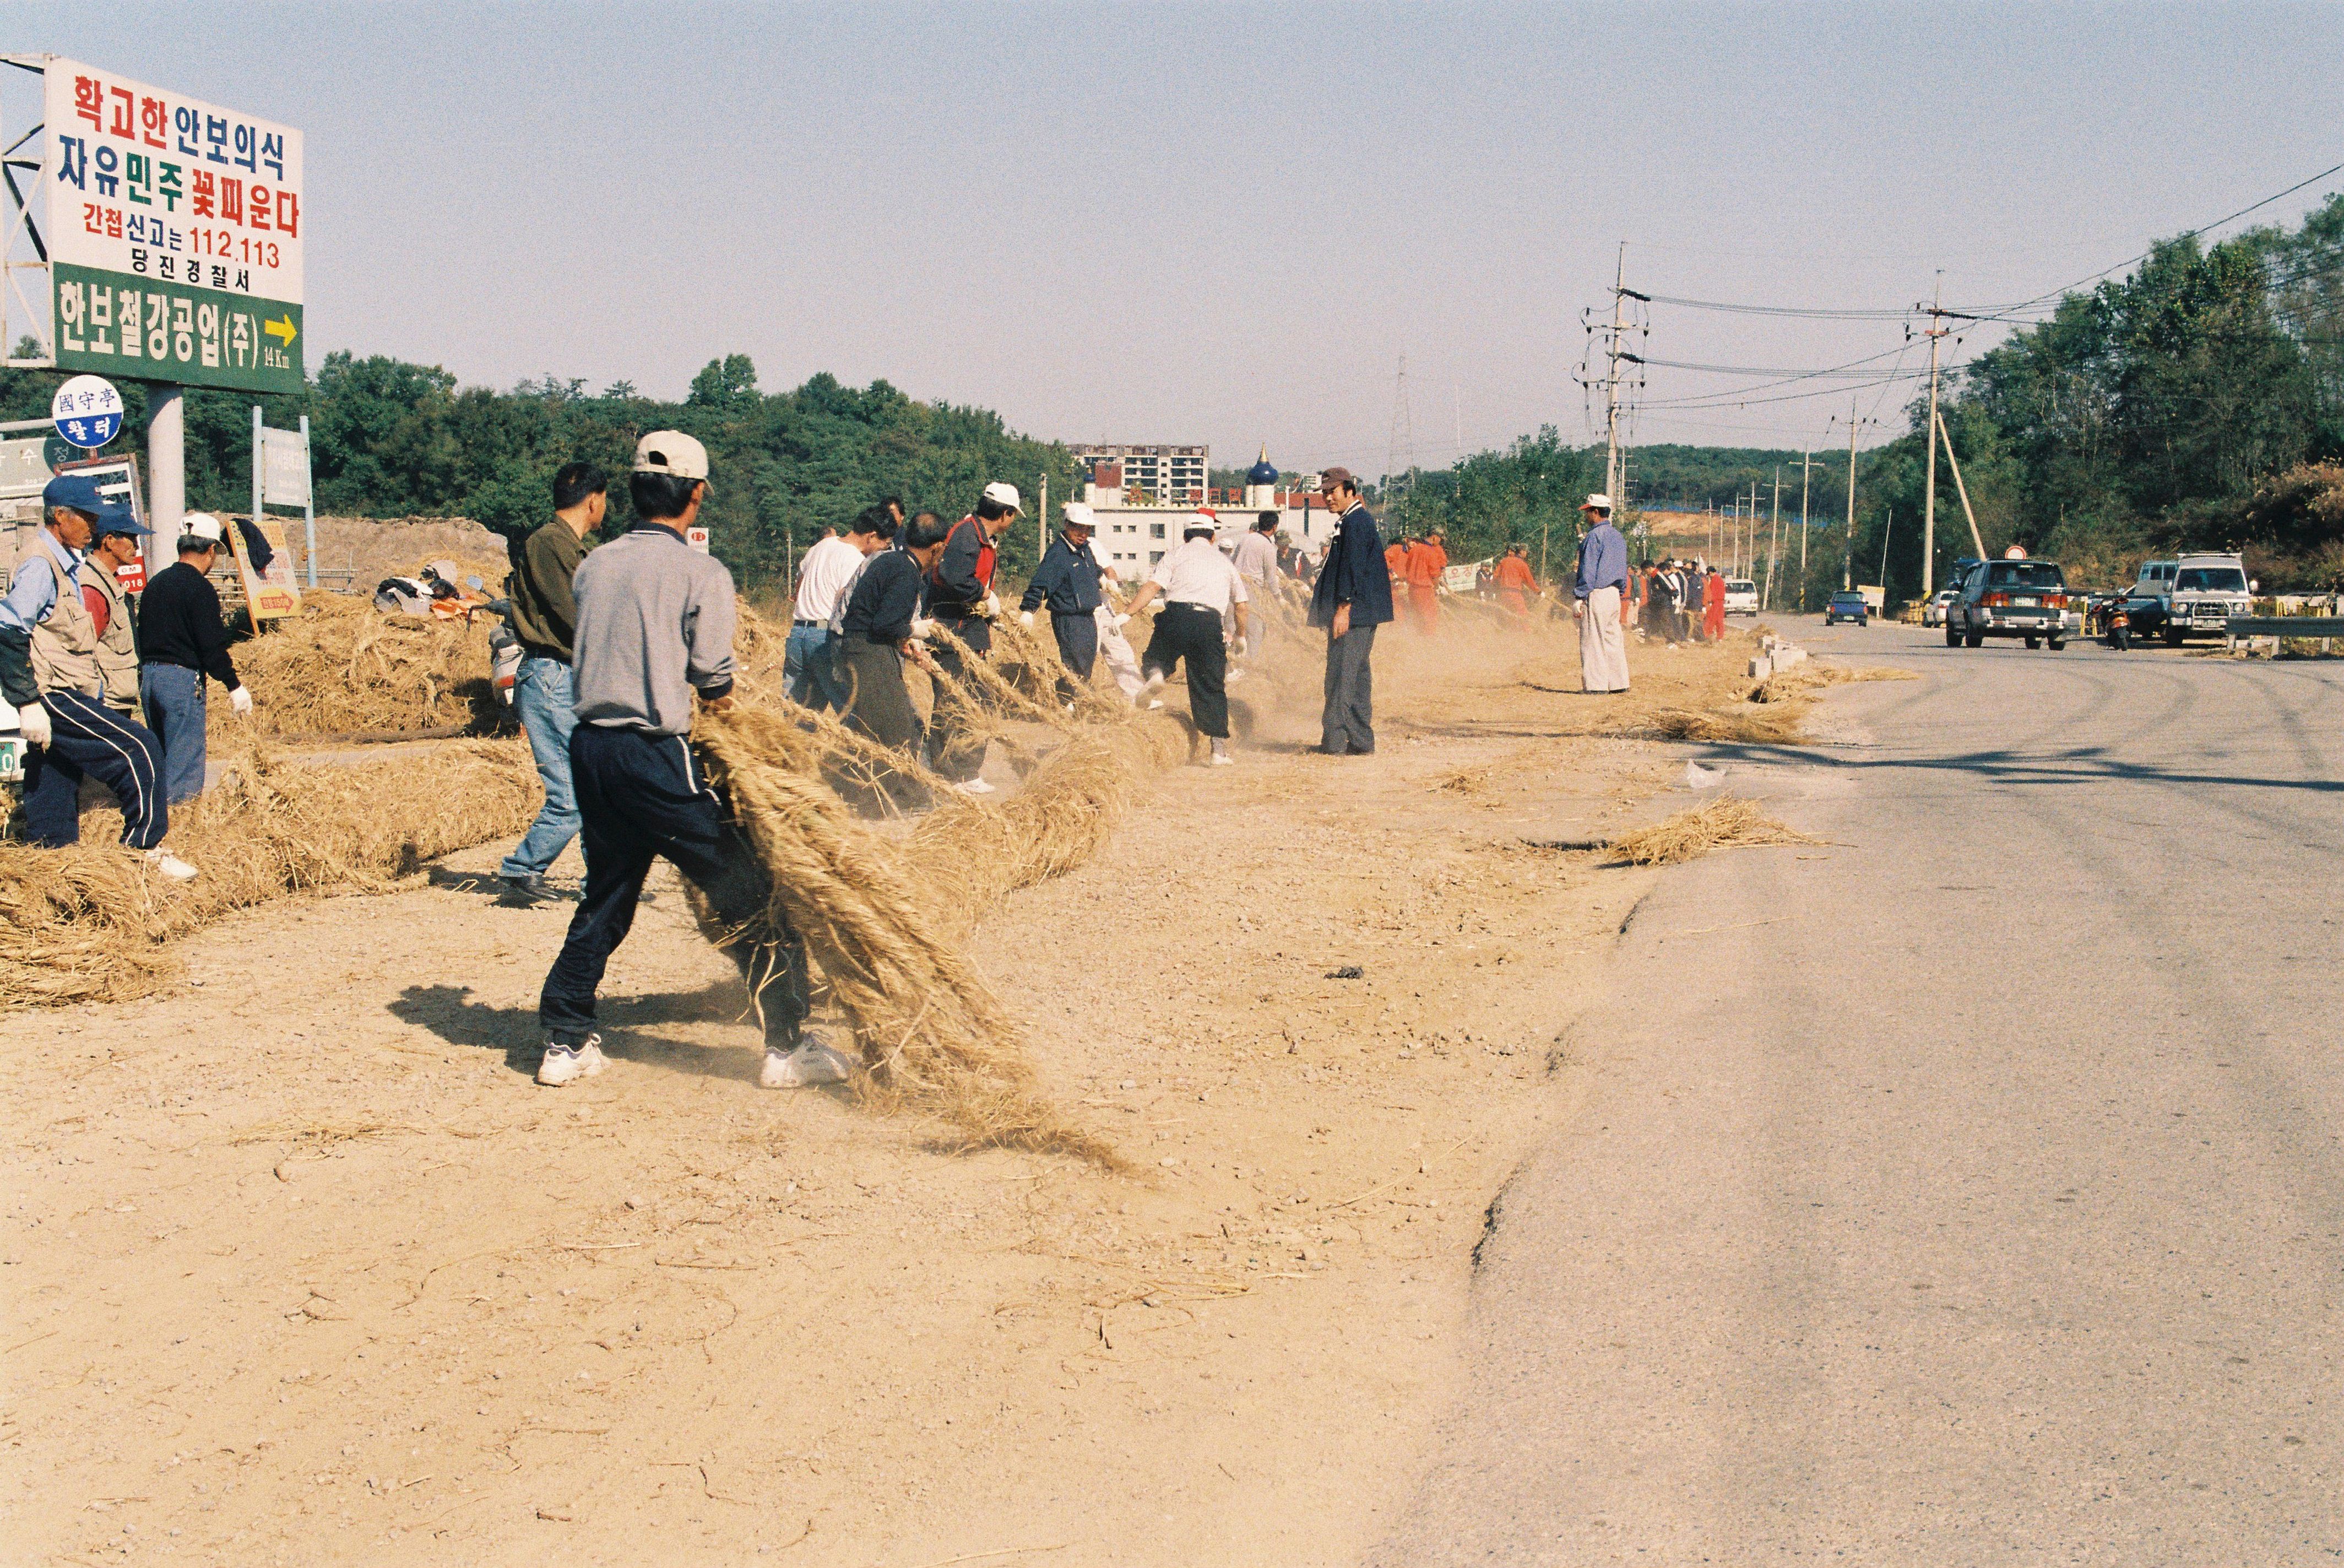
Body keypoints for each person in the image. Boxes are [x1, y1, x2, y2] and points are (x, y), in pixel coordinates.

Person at [536, 430, 852, 1092]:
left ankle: (565, 1041)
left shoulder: (595, 564)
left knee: (608, 893)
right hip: (653, 752)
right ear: (697, 493)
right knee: (753, 894)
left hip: (590, 748)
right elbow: (712, 679)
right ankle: (786, 1046)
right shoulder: (700, 572)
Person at [2, 475, 192, 876]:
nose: (94, 526)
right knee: (139, 749)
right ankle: (142, 851)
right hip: (52, 693)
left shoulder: (66, 562)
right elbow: (8, 629)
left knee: (54, 780)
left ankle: (51, 866)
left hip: (68, 689)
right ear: (59, 516)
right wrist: (27, 701)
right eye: (88, 517)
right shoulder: (40, 563)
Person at [496, 461, 605, 900]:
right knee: (573, 794)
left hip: (564, 675)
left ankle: (598, 881)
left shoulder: (563, 545)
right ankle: (521, 870)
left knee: (591, 788)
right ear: (594, 500)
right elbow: (577, 615)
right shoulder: (550, 543)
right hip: (552, 675)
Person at [134, 512, 251, 811]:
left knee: (160, 758)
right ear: (211, 550)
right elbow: (211, 647)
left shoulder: (156, 584)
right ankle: (181, 825)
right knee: (185, 762)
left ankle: (154, 817)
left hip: (150, 677)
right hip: (180, 679)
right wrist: (233, 685)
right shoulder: (200, 589)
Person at [840, 512, 951, 802]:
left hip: (860, 646)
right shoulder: (906, 572)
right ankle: (912, 803)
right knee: (900, 731)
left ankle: (861, 797)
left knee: (874, 730)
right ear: (937, 547)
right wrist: (916, 630)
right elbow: (885, 625)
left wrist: (904, 639)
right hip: (869, 651)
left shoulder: (890, 561)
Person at [1122, 515, 1251, 765]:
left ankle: (1157, 674)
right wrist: (1241, 636)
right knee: (1211, 685)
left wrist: (1127, 613)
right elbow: (1242, 606)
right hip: (1208, 622)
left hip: (1176, 615)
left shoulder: (1175, 554)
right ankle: (1218, 752)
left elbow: (1152, 586)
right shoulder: (1224, 563)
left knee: (1156, 656)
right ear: (1212, 538)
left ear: (1185, 537)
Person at [923, 481, 1017, 795]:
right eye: (1013, 515)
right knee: (962, 702)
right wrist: (984, 594)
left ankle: (950, 769)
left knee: (966, 700)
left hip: (968, 628)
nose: (1013, 521)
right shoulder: (968, 535)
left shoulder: (979, 535)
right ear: (1005, 514)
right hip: (955, 629)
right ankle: (958, 774)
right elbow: (952, 577)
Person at [1308, 468, 1392, 755]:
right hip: (1362, 613)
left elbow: (1353, 569)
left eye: (1332, 492)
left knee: (1341, 677)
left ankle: (1334, 743)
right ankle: (1360, 740)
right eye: (1324, 493)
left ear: (1350, 491)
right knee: (1356, 676)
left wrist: (1343, 609)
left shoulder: (1356, 523)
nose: (1327, 497)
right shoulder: (1354, 520)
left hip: (1354, 614)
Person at [786, 505, 890, 713]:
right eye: (884, 544)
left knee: (798, 713)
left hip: (797, 635)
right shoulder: (855, 560)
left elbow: (801, 575)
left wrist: (801, 599)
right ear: (872, 536)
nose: (884, 550)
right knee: (849, 709)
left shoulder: (823, 545)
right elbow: (843, 601)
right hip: (824, 639)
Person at [1018, 501, 1107, 701]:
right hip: (1068, 617)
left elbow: (1093, 569)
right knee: (1074, 661)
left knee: (1086, 661)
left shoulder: (1084, 549)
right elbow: (1041, 582)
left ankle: (1075, 700)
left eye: (1087, 529)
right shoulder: (1058, 553)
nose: (1083, 534)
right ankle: (1066, 701)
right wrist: (1028, 610)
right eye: (1078, 528)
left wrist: (1102, 578)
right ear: (1067, 525)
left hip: (1087, 615)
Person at [80, 512, 145, 718]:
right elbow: (84, 650)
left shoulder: (110, 583)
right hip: (104, 705)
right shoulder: (92, 587)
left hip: (116, 701)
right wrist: (95, 698)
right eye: (131, 539)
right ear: (109, 541)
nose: (136, 546)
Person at [1571, 493, 1630, 693]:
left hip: (1597, 592)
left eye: (1588, 511)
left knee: (1593, 641)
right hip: (1615, 594)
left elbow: (1587, 570)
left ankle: (1596, 686)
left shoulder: (1594, 536)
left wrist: (1580, 596)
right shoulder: (1617, 536)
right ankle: (1619, 684)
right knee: (1613, 640)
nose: (1586, 516)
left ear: (1596, 512)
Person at [1404, 530, 1450, 634]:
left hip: (1412, 591)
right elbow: (1435, 574)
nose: (1440, 542)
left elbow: (1407, 569)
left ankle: (1419, 643)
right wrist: (1437, 589)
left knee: (1417, 618)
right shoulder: (1431, 552)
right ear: (1434, 537)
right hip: (1425, 590)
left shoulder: (1413, 551)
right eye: (1440, 540)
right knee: (1429, 619)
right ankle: (1429, 644)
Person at [1232, 511, 1280, 598]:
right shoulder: (1268, 546)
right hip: (1253, 591)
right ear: (1274, 527)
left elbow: (1233, 562)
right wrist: (1277, 595)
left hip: (1236, 587)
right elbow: (1270, 577)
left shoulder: (1245, 539)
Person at [1495, 544, 1537, 618]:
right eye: (1526, 552)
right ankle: (1527, 630)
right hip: (1515, 594)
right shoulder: (1522, 564)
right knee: (1523, 616)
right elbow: (1530, 581)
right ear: (1522, 552)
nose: (1526, 554)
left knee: (1505, 616)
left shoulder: (1504, 561)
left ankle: (1502, 630)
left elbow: (1495, 576)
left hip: (1503, 593)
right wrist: (1539, 592)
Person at [1703, 564, 1727, 641]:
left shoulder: (1715, 580)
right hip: (1720, 603)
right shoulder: (1720, 579)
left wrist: (1708, 602)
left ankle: (1708, 635)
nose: (1709, 577)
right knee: (1719, 620)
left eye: (1709, 574)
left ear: (1710, 572)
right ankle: (1720, 637)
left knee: (1711, 619)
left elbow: (1712, 593)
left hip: (1715, 603)